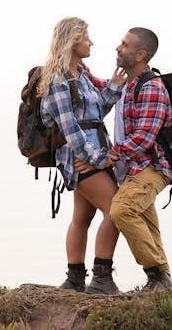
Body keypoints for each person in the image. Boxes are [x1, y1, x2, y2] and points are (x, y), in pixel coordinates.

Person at [37, 17, 126, 295]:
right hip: (80, 158)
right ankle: (101, 280)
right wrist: (96, 159)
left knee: (82, 219)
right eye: (86, 37)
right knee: (117, 212)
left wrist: (112, 86)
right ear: (72, 41)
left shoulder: (81, 73)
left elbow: (97, 112)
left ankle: (74, 280)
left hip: (93, 151)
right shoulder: (57, 80)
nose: (91, 42)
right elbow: (69, 127)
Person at [108, 27, 172, 292]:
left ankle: (156, 274)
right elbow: (102, 91)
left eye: (124, 45)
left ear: (140, 54)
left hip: (152, 168)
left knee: (122, 210)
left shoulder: (152, 87)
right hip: (134, 168)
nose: (118, 48)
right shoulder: (129, 85)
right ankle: (162, 286)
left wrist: (110, 155)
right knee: (148, 226)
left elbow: (144, 139)